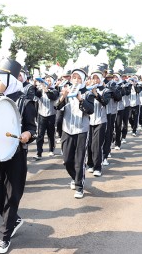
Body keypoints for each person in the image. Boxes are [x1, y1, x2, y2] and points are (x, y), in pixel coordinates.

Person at [0, 58, 37, 253]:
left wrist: (27, 134)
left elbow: (33, 128)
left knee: (12, 196)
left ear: (10, 79)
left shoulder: (25, 101)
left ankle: (5, 236)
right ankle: (14, 219)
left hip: (15, 154)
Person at [55, 69, 94, 199]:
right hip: (67, 129)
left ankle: (79, 186)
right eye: (74, 78)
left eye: (79, 78)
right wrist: (63, 96)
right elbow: (57, 107)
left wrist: (80, 99)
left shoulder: (87, 93)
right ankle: (75, 177)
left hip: (81, 130)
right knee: (66, 160)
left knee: (80, 160)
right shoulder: (66, 91)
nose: (76, 80)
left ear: (83, 80)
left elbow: (90, 110)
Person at [86, 71, 111, 177]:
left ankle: (97, 167)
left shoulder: (106, 90)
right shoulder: (87, 91)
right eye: (93, 78)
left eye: (97, 78)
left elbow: (105, 102)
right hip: (88, 121)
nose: (95, 80)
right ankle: (90, 164)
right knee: (89, 144)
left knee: (97, 145)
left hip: (101, 120)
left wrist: (96, 93)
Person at [34, 73, 59, 160]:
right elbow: (35, 93)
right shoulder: (40, 90)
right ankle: (39, 153)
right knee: (40, 135)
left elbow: (51, 96)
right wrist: (35, 84)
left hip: (51, 115)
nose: (47, 82)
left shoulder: (55, 91)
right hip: (41, 115)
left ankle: (51, 150)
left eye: (49, 81)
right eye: (46, 80)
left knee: (51, 134)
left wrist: (46, 89)